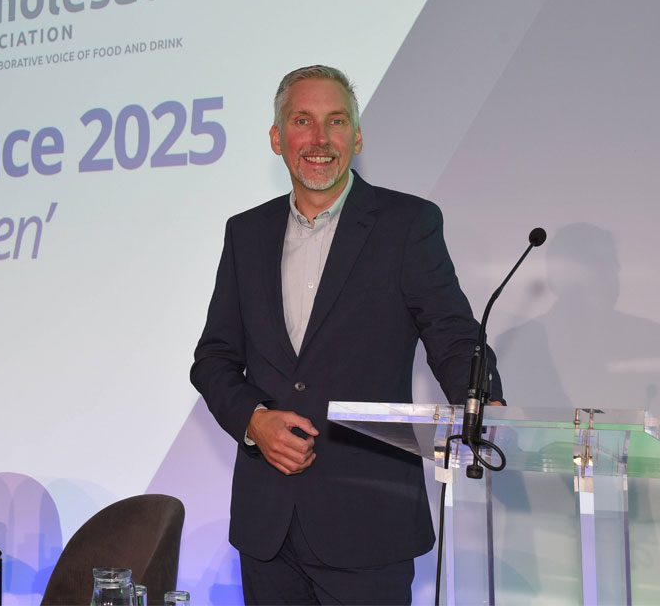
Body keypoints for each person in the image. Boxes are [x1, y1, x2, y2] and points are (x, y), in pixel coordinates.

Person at [190, 65, 502, 605]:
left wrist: (479, 399)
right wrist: (254, 421)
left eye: (336, 122)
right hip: (269, 528)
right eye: (302, 121)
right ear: (276, 138)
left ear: (356, 137)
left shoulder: (406, 224)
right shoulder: (246, 233)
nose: (319, 139)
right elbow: (214, 357)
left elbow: (452, 334)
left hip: (369, 521)